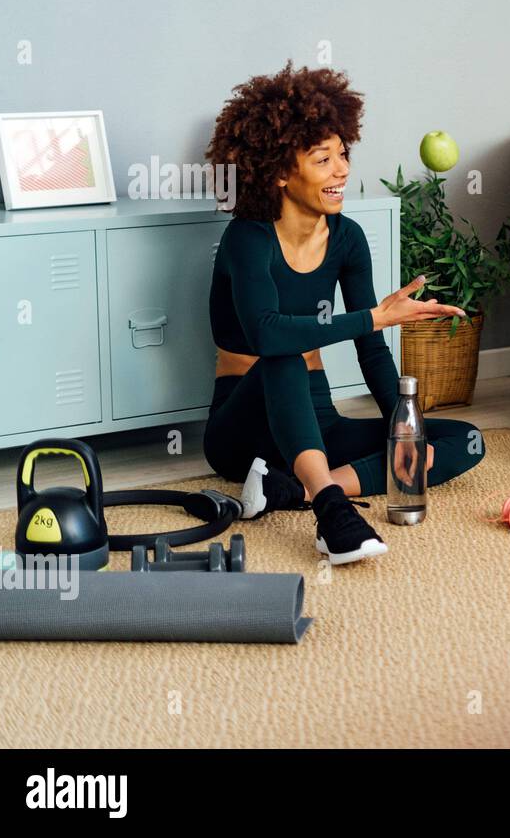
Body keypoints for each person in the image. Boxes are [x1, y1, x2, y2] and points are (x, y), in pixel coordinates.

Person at [202, 63, 483, 565]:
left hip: (317, 421)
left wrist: (402, 425)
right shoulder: (248, 238)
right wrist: (375, 316)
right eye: (322, 158)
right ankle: (332, 513)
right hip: (241, 428)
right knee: (282, 350)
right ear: (281, 173)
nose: (342, 170)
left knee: (461, 441)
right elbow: (268, 335)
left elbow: (371, 349)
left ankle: (297, 490)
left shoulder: (347, 238)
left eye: (343, 154)